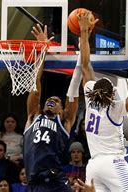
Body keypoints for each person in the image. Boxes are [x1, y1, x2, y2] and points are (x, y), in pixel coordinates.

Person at [79, 8, 128, 190]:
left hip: (92, 165)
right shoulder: (115, 108)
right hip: (112, 162)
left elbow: (85, 64)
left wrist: (84, 33)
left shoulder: (90, 95)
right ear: (111, 96)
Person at [23, 22, 82, 191]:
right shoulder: (33, 116)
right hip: (34, 182)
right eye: (49, 99)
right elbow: (36, 83)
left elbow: (74, 88)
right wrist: (42, 49)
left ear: (62, 111)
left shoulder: (64, 122)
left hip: (56, 181)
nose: (51, 100)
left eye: (56, 101)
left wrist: (82, 47)